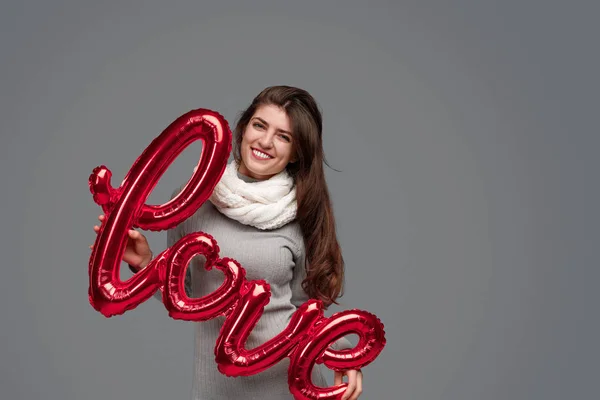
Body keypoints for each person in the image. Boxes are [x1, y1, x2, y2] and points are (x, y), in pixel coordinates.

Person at [92, 86, 363, 399]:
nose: (265, 141)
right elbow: (189, 293)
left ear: (297, 152)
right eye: (260, 125)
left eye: (283, 136)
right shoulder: (190, 199)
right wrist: (144, 262)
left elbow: (306, 310)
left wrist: (345, 357)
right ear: (244, 127)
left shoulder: (301, 215)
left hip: (288, 386)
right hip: (216, 390)